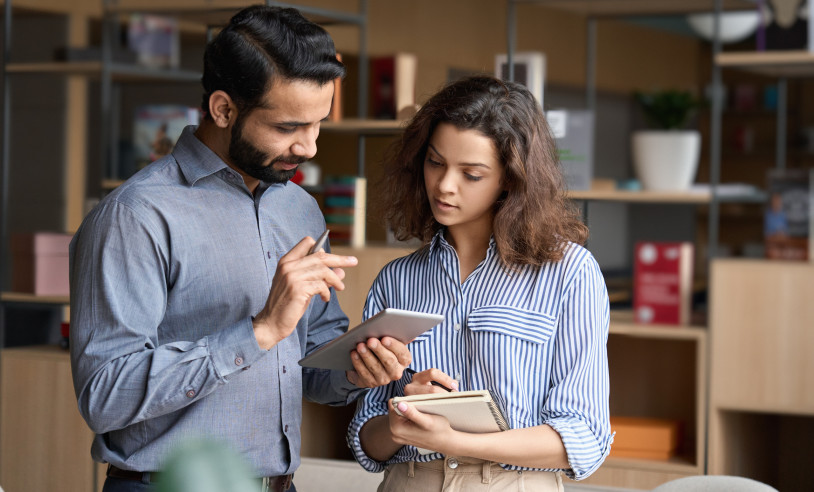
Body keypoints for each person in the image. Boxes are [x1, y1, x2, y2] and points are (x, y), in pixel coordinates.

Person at [69, 6, 411, 492]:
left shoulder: (300, 209)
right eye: (288, 128)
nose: (310, 147)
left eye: (318, 124)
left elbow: (310, 367)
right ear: (224, 109)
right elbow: (104, 397)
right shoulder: (135, 216)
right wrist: (260, 331)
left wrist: (358, 369)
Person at [347, 76, 613, 491]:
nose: (444, 185)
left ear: (510, 178)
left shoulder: (570, 274)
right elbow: (367, 442)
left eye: (471, 174)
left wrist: (454, 440)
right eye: (435, 162)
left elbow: (583, 436)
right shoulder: (396, 280)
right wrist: (401, 419)